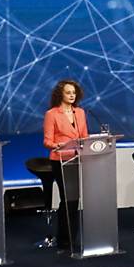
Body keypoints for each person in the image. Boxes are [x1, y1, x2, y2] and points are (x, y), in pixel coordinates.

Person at [43, 79, 89, 252]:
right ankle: (63, 239)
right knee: (67, 199)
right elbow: (47, 140)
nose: (72, 95)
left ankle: (72, 237)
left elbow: (84, 136)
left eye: (74, 92)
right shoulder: (52, 114)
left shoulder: (80, 112)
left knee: (74, 200)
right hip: (60, 160)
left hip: (76, 159)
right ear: (60, 94)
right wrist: (57, 145)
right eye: (68, 92)